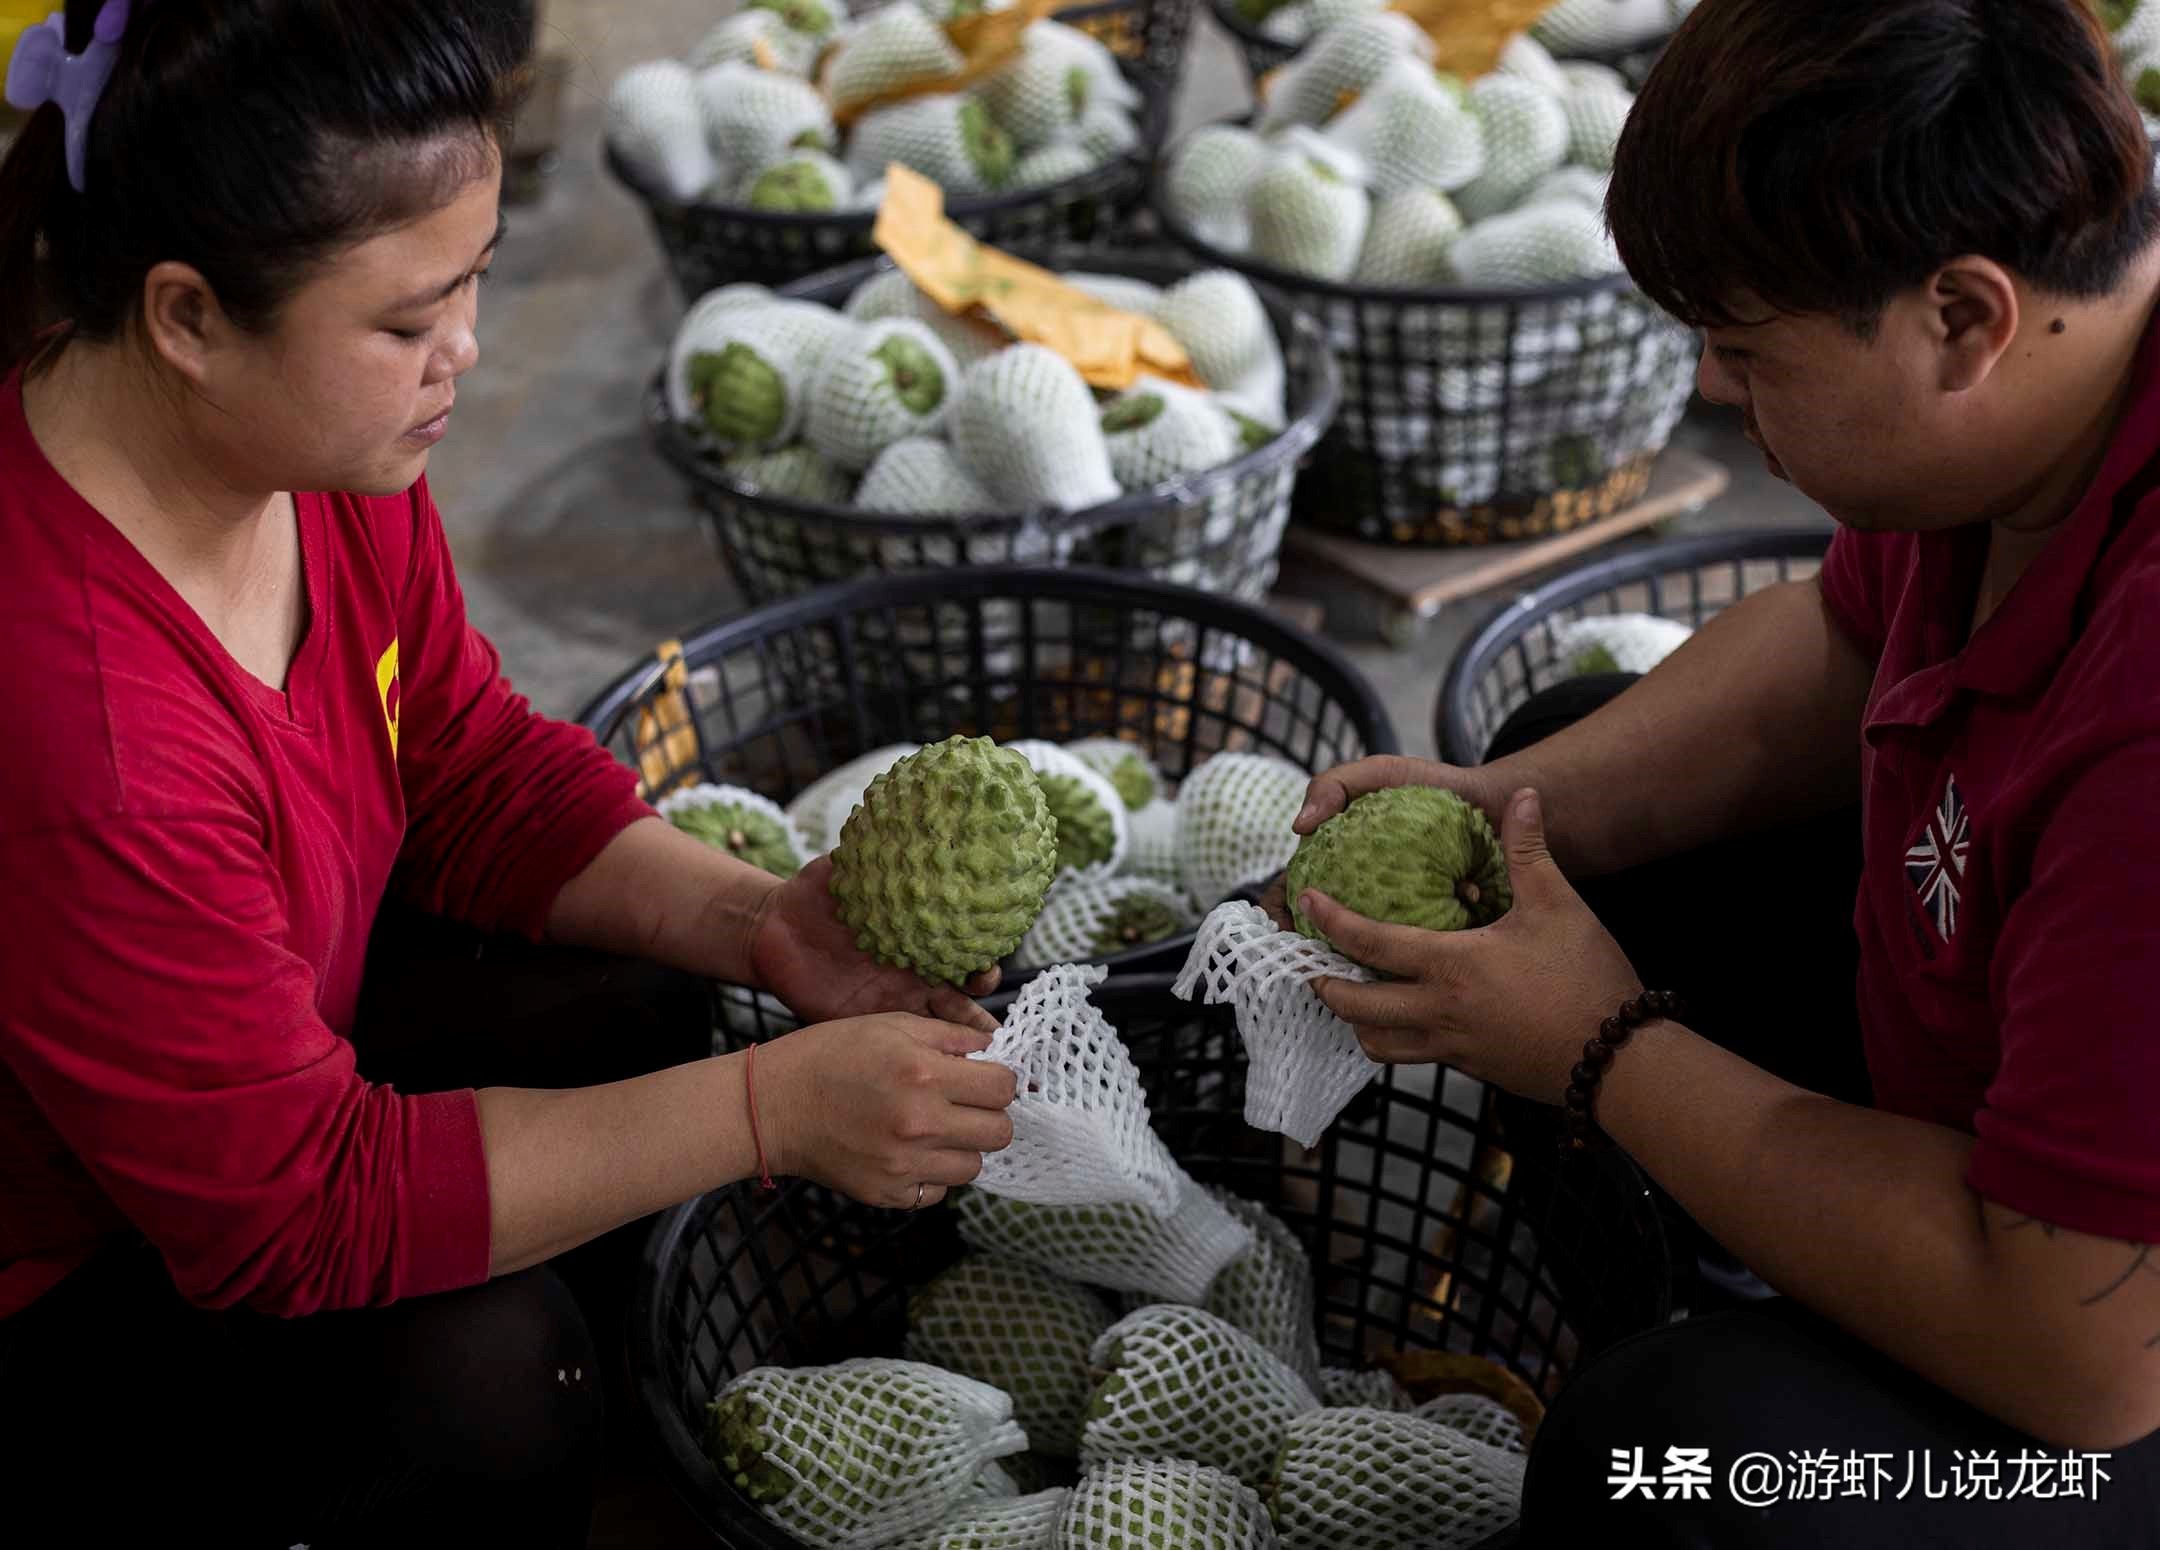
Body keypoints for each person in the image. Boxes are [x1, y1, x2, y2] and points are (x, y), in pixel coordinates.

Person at [0, 3, 1016, 1545]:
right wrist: (766, 1110)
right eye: (410, 322)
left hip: (259, 1066)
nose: (464, 354)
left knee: (643, 988)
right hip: (66, 1265)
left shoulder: (305, 458)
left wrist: (759, 923)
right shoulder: (84, 725)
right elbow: (295, 1214)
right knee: (486, 1375)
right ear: (190, 317)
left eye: (471, 287)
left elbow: (464, 763)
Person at [1289, 0, 2160, 1541]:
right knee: (1554, 788)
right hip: (2005, 1099)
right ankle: (1734, 1269)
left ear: (1964, 319)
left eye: (1749, 352)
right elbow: (1840, 648)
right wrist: (1503, 805)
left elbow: (2083, 1353)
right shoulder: (2043, 406)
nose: (1712, 392)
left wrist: (1599, 1047)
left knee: (1661, 1461)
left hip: (2107, 1363)